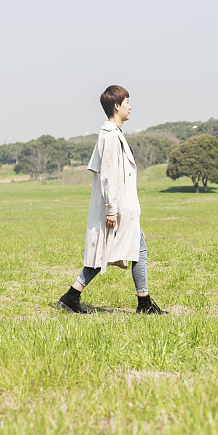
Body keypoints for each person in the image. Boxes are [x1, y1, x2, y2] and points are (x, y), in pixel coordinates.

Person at [57, 85, 166, 315]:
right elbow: (107, 175)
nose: (130, 106)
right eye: (127, 102)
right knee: (117, 250)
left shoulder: (113, 134)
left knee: (113, 250)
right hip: (116, 207)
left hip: (120, 206)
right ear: (116, 106)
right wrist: (110, 209)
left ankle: (72, 296)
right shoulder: (109, 136)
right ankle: (143, 304)